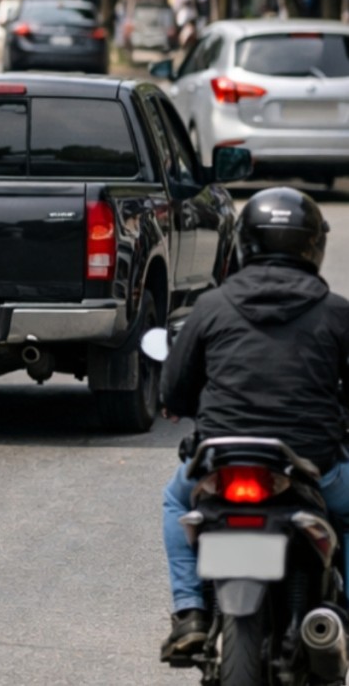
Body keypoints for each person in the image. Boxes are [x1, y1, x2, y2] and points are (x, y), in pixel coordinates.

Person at [158, 187, 349, 662]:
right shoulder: (337, 312)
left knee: (174, 500)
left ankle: (190, 614)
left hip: (223, 460)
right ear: (313, 246)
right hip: (313, 462)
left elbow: (173, 393)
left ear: (245, 242)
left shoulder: (211, 306)